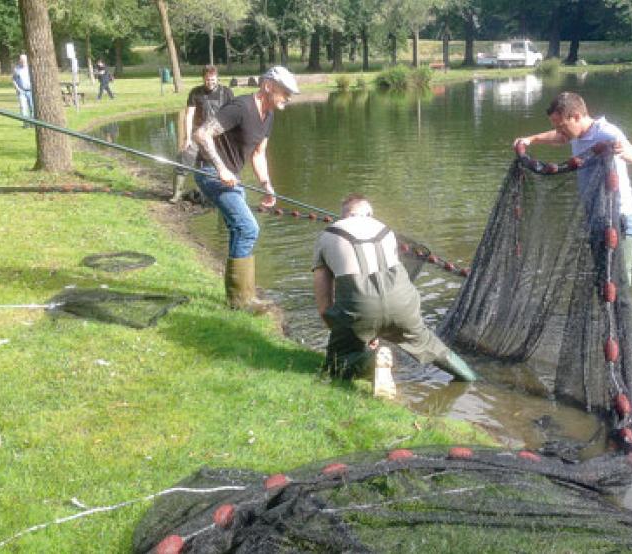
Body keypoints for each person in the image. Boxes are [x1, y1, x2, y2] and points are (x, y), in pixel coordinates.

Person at [313, 194, 477, 399]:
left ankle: (373, 363)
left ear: (343, 215)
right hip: (403, 300)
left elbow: (323, 303)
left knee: (337, 366)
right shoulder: (385, 230)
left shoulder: (327, 236)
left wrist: (354, 332)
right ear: (370, 214)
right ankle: (470, 380)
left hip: (359, 304)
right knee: (431, 346)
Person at [192, 65, 297, 311]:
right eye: (285, 92)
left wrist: (266, 185)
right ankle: (241, 301)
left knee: (239, 228)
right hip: (209, 171)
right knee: (247, 228)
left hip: (231, 176)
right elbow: (202, 134)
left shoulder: (268, 115)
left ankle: (241, 297)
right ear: (268, 86)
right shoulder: (240, 107)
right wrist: (221, 169)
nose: (289, 97)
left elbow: (258, 154)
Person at [513, 92, 632, 285]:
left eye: (561, 126)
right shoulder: (574, 134)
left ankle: (620, 314)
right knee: (602, 280)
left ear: (576, 117)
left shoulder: (607, 132)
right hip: (596, 218)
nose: (559, 131)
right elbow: (558, 138)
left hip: (620, 219)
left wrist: (624, 151)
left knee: (618, 282)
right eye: (556, 127)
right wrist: (530, 140)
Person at [171, 65, 234, 203]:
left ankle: (223, 193)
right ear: (203, 78)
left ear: (217, 78)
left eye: (212, 79)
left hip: (219, 135)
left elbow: (232, 116)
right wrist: (187, 138)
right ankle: (177, 194)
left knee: (221, 163)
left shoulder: (227, 92)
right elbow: (188, 116)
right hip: (197, 134)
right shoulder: (195, 93)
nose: (210, 82)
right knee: (184, 156)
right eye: (207, 79)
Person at [12, 54, 33, 128]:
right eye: (21, 60)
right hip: (22, 91)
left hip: (31, 91)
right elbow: (13, 79)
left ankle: (33, 123)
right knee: (23, 107)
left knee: (32, 107)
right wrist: (17, 89)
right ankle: (26, 124)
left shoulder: (31, 68)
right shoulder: (16, 69)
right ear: (19, 60)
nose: (23, 61)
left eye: (24, 60)